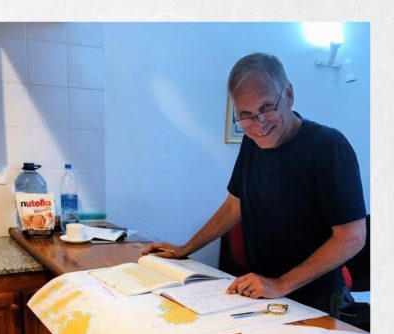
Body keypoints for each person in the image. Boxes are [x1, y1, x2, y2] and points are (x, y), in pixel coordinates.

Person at [142, 52, 366, 317]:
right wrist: (184, 249)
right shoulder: (252, 143)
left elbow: (352, 237)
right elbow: (233, 206)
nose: (258, 125)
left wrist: (280, 284)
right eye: (245, 114)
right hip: (262, 291)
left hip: (316, 300)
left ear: (289, 96)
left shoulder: (328, 146)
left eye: (266, 107)